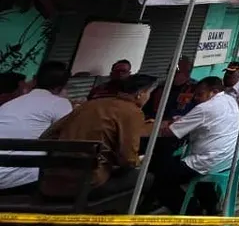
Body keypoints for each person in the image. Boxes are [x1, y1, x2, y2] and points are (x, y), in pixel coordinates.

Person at [39, 73, 158, 201]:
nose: (148, 98)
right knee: (146, 178)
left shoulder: (89, 104)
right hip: (88, 185)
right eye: (149, 93)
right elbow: (128, 160)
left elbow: (47, 136)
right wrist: (140, 159)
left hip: (50, 182)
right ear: (140, 93)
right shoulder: (132, 111)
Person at [147, 76, 239, 215]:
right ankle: (210, 206)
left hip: (209, 159)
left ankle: (190, 212)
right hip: (230, 157)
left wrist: (155, 126)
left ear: (214, 92)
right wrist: (185, 121)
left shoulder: (205, 108)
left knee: (161, 176)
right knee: (185, 167)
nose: (196, 98)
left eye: (200, 94)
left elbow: (170, 132)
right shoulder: (230, 100)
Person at [0, 61, 72, 192]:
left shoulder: (10, 104)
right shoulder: (60, 103)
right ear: (62, 86)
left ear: (34, 81)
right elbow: (69, 137)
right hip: (18, 180)